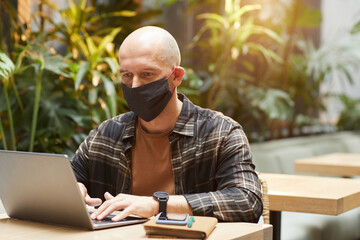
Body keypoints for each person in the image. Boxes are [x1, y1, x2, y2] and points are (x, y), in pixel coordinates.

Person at [71, 26, 263, 223]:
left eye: (147, 74)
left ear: (176, 76)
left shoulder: (221, 133)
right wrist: (72, 189)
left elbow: (247, 201)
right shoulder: (105, 135)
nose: (135, 86)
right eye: (127, 75)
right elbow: (67, 180)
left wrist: (158, 205)